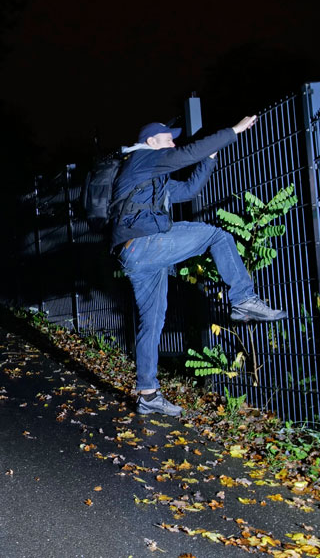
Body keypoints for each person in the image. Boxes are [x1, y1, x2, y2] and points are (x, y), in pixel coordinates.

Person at [110, 116, 287, 417]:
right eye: (168, 139)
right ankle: (243, 299)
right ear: (151, 142)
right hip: (145, 244)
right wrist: (233, 131)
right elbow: (187, 154)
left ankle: (148, 394)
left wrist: (210, 157)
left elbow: (189, 190)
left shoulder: (151, 176)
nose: (173, 143)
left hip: (137, 255)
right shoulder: (142, 158)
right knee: (217, 235)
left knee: (152, 322)